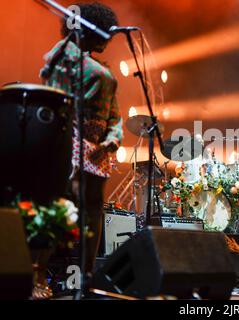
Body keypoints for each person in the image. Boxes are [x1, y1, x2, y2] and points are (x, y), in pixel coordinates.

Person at [37, 2, 123, 299]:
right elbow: (53, 72)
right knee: (60, 207)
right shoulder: (64, 57)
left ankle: (86, 277)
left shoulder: (103, 73)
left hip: (96, 150)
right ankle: (39, 273)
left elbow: (116, 118)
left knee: (93, 210)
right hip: (68, 139)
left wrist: (110, 142)